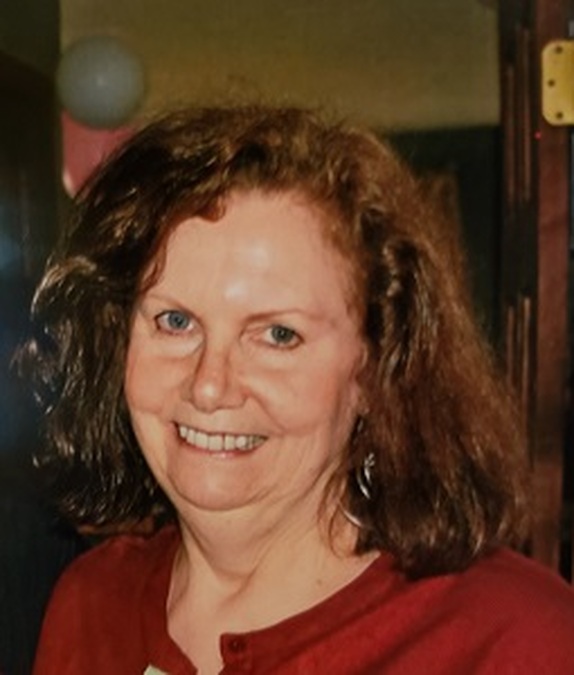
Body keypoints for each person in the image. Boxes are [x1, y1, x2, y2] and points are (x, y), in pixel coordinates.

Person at [20, 105, 574, 674]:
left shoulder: (518, 641)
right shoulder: (90, 605)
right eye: (175, 322)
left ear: (374, 369)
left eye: (278, 335)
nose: (209, 386)